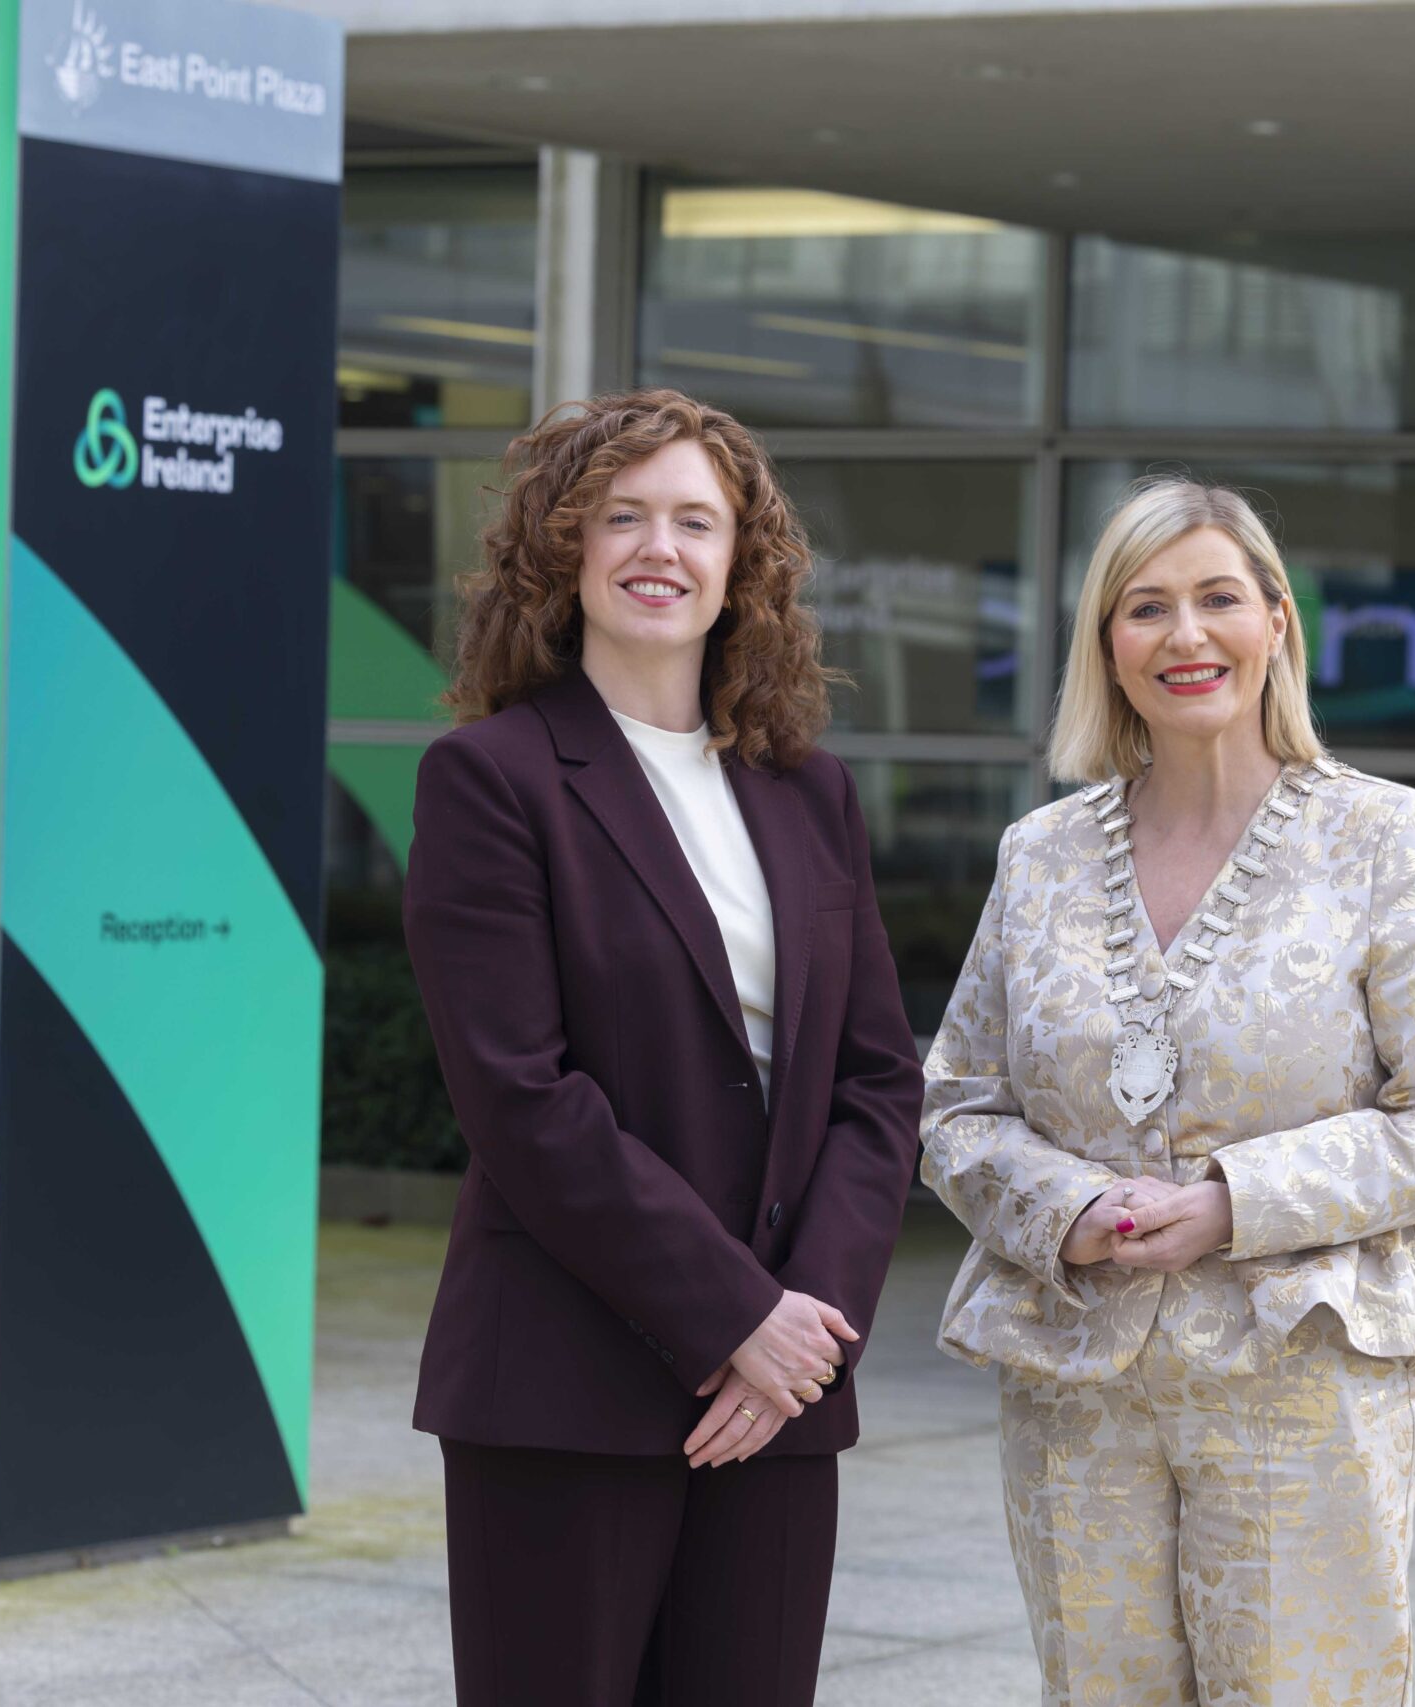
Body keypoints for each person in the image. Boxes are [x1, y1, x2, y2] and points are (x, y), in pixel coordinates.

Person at [920, 475, 1415, 1706]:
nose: (1185, 636)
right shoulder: (1039, 856)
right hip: (1076, 1384)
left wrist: (1236, 1202)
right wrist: (1066, 1208)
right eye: (1145, 608)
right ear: (1107, 648)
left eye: (1216, 599)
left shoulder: (1382, 839)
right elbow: (956, 1105)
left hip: (1303, 1384)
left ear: (1277, 622)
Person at [403, 388, 922, 1707]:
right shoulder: (492, 779)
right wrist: (730, 1313)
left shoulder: (808, 788)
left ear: (741, 560)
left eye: (696, 520)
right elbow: (521, 1095)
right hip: (563, 1385)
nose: (660, 547)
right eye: (622, 515)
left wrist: (805, 1329)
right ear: (563, 549)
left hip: (784, 1392)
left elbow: (874, 1079)